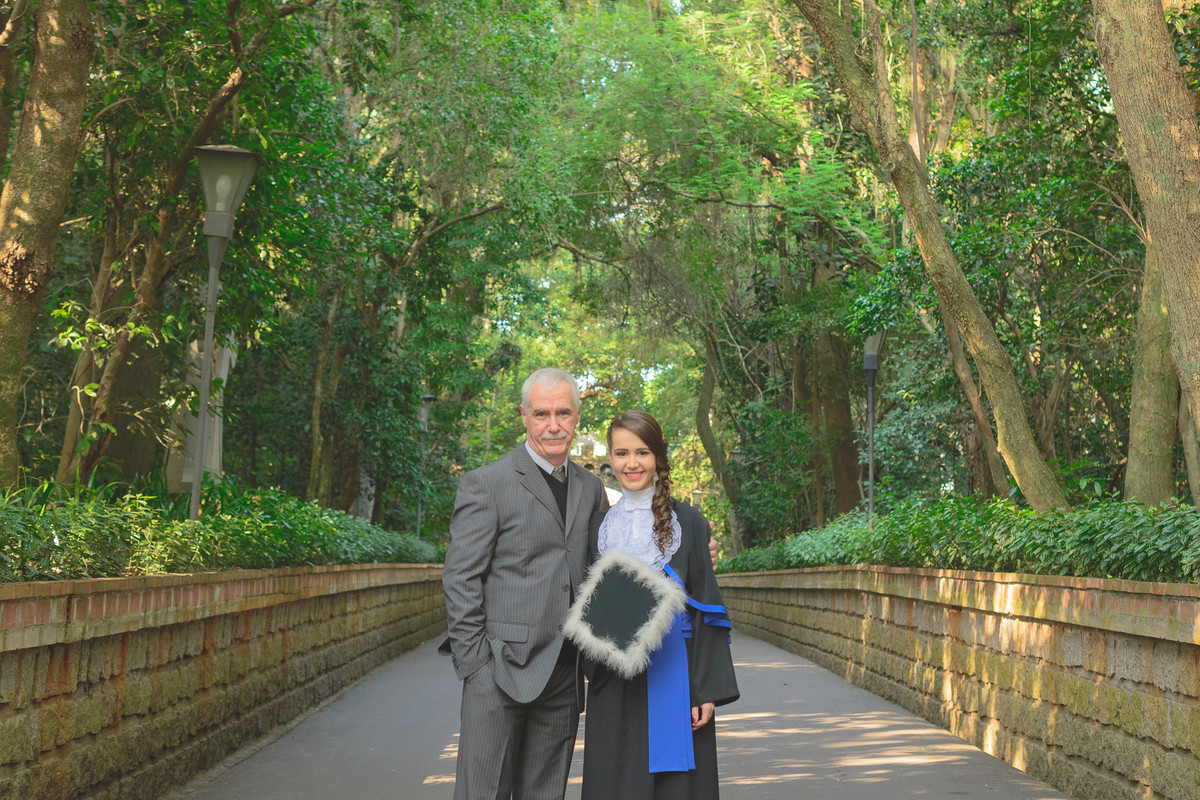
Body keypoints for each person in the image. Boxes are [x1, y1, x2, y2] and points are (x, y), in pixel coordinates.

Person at [579, 409, 739, 800]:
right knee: (616, 782)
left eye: (642, 452)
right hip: (613, 674)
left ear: (658, 457)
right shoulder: (596, 526)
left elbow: (708, 610)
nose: (631, 463)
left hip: (677, 672)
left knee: (676, 787)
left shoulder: (692, 523)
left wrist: (706, 690)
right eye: (621, 453)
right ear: (610, 458)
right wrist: (594, 664)